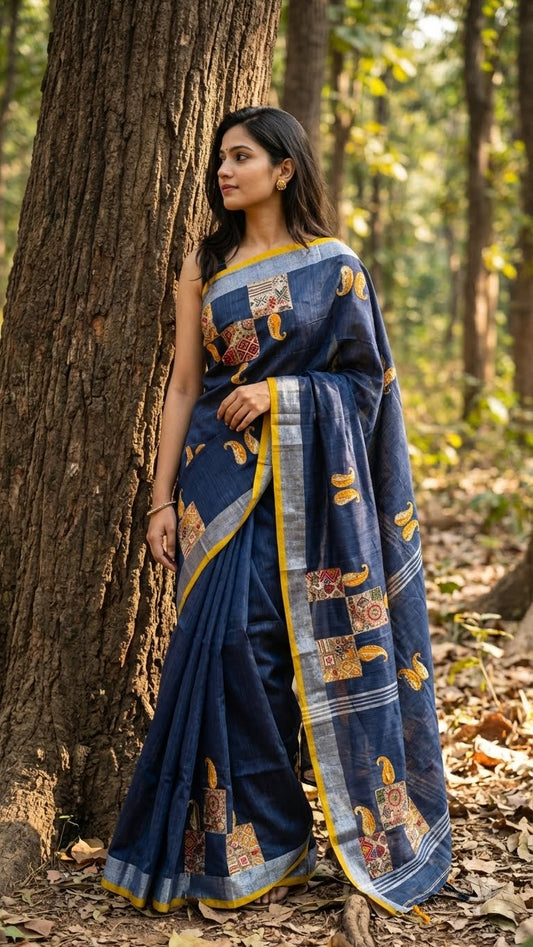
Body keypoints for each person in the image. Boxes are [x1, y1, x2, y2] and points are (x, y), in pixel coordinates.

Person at [102, 106, 451, 914]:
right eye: (220, 158)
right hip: (216, 492)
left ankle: (287, 830)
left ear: (283, 168)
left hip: (310, 498)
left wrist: (282, 393)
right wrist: (158, 498)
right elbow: (186, 385)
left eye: (241, 156)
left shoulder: (334, 268)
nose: (224, 171)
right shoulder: (207, 264)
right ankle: (255, 836)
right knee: (223, 648)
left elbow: (366, 386)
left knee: (284, 654)